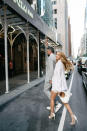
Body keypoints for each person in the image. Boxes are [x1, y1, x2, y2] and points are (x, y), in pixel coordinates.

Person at [49, 52, 78, 126]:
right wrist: (52, 80)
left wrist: (58, 89)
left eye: (58, 55)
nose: (56, 55)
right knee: (62, 102)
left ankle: (53, 114)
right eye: (56, 54)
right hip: (58, 86)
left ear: (61, 56)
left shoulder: (59, 64)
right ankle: (52, 114)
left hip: (58, 87)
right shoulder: (60, 63)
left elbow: (58, 77)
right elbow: (57, 76)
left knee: (57, 100)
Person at [44, 46, 62, 111]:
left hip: (49, 77)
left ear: (50, 51)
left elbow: (51, 69)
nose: (46, 51)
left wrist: (50, 79)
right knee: (51, 91)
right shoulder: (53, 57)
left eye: (47, 50)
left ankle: (56, 103)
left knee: (45, 90)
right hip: (53, 77)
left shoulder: (51, 57)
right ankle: (54, 105)